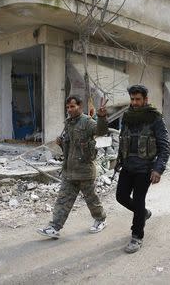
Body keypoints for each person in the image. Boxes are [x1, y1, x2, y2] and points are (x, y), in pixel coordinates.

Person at [37, 95, 109, 238]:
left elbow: (101, 132)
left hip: (85, 171)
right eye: (68, 107)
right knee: (62, 200)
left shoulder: (87, 122)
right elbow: (70, 149)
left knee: (91, 199)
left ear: (80, 107)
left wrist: (101, 117)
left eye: (73, 106)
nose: (70, 109)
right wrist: (61, 143)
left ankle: (100, 219)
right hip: (69, 171)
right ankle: (54, 227)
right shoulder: (68, 124)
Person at [116, 84, 170, 253]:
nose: (134, 102)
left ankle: (137, 236)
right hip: (127, 166)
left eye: (138, 99)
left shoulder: (155, 118)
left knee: (139, 200)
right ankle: (143, 213)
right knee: (121, 196)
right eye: (132, 99)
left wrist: (158, 169)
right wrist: (119, 160)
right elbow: (123, 139)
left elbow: (164, 146)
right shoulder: (127, 116)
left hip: (144, 169)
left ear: (145, 99)